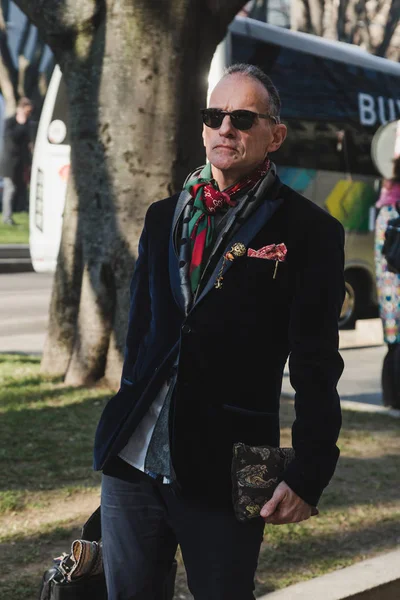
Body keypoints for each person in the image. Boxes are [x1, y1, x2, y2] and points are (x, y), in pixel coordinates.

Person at [93, 63, 345, 600]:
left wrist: (309, 471)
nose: (225, 128)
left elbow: (317, 366)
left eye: (243, 117)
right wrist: (122, 412)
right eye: (215, 115)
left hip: (230, 466)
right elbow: (143, 334)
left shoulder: (310, 232)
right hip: (133, 459)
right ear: (203, 128)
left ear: (274, 136)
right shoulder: (164, 216)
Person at [374, 155, 400, 409]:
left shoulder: (386, 207)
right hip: (395, 285)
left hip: (387, 286)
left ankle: (391, 399)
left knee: (393, 344)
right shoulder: (395, 210)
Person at [0, 97, 34, 225]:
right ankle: (7, 217)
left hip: (23, 164)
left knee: (22, 189)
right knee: (10, 189)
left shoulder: (29, 124)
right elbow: (11, 139)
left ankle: (22, 210)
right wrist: (20, 124)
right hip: (10, 164)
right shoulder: (10, 123)